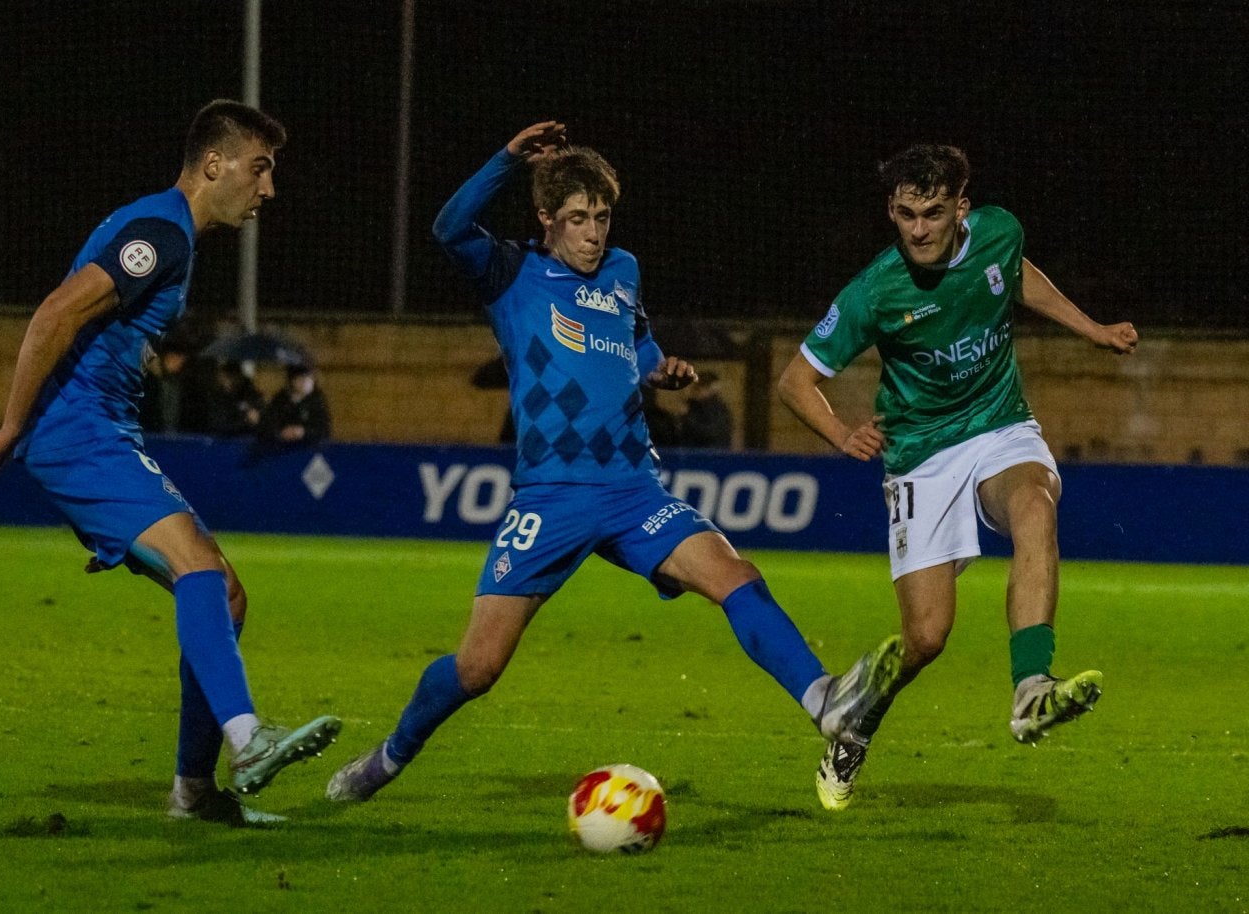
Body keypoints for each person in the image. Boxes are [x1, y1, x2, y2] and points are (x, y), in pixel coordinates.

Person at [326, 121, 902, 804]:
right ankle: (391, 756)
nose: (594, 233)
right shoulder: (512, 272)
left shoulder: (623, 270)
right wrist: (508, 160)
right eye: (577, 219)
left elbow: (635, 342)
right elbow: (449, 227)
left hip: (634, 489)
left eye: (602, 217)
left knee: (735, 574)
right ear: (546, 219)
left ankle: (825, 700)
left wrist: (661, 371)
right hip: (553, 497)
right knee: (478, 668)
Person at [0, 99, 340, 827]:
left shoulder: (171, 233)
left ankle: (194, 793)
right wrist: (13, 426)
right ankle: (246, 739)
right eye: (259, 170)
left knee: (226, 595)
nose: (268, 189)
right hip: (79, 437)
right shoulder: (161, 231)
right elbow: (55, 314)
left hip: (105, 437)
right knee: (197, 569)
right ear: (213, 164)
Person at [777, 144, 1138, 811]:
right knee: (925, 638)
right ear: (891, 210)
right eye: (907, 214)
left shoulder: (998, 232)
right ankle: (854, 724)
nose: (919, 230)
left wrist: (1089, 328)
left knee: (1035, 506)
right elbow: (796, 381)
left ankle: (1031, 689)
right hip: (920, 455)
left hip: (999, 426)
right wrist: (841, 431)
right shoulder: (876, 290)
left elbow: (1017, 274)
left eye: (934, 214)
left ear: (961, 209)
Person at [255, 363, 332, 451]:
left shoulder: (318, 400)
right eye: (301, 379)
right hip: (280, 450)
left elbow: (324, 429)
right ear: (292, 381)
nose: (306, 382)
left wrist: (304, 432)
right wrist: (280, 433)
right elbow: (266, 426)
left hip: (309, 450)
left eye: (309, 378)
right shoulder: (280, 400)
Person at [203, 360, 264, 437]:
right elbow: (219, 423)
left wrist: (258, 417)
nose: (230, 381)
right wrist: (246, 420)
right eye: (226, 377)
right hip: (224, 441)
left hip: (249, 440)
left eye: (234, 375)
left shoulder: (250, 393)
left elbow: (262, 413)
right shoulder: (217, 397)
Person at [678, 369, 734, 449]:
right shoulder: (693, 406)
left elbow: (711, 433)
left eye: (699, 388)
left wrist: (687, 418)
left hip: (710, 454)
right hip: (695, 453)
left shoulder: (716, 409)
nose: (695, 391)